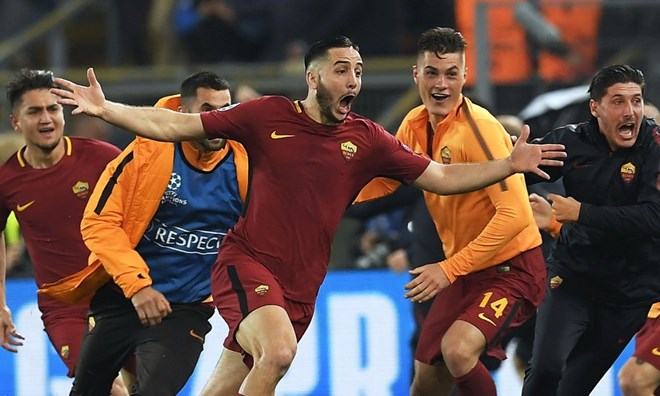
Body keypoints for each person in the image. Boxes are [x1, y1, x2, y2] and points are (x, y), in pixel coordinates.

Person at [49, 35, 565, 395]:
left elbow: (442, 177)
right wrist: (108, 108)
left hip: (302, 286)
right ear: (314, 76)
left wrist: (507, 165)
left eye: (359, 71)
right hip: (247, 263)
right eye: (343, 70)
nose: (354, 80)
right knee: (276, 355)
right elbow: (172, 124)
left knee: (229, 383)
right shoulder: (267, 114)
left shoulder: (366, 139)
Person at [356, 27, 548, 396]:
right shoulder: (413, 123)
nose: (441, 84)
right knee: (425, 383)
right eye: (432, 73)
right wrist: (330, 195)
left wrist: (448, 269)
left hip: (512, 268)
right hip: (465, 269)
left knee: (458, 351)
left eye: (451, 73)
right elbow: (390, 183)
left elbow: (516, 217)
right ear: (416, 75)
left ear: (465, 75)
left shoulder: (481, 131)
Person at [39, 71, 248, 395]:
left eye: (225, 108)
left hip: (185, 308)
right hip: (123, 297)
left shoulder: (245, 164)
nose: (217, 119)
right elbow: (99, 222)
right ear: (182, 114)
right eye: (207, 109)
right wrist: (138, 287)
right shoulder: (144, 156)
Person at [521, 64, 660, 395]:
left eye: (636, 101)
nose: (630, 111)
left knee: (572, 389)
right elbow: (514, 170)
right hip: (572, 280)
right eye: (618, 101)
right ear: (595, 108)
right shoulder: (571, 141)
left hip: (629, 296)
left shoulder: (655, 147)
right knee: (545, 368)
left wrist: (581, 213)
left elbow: (655, 217)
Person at [0, 69, 128, 394]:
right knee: (102, 384)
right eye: (34, 111)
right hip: (64, 305)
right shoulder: (7, 180)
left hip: (118, 292)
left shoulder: (102, 157)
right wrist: (1, 303)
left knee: (143, 385)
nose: (46, 118)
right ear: (16, 122)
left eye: (52, 109)